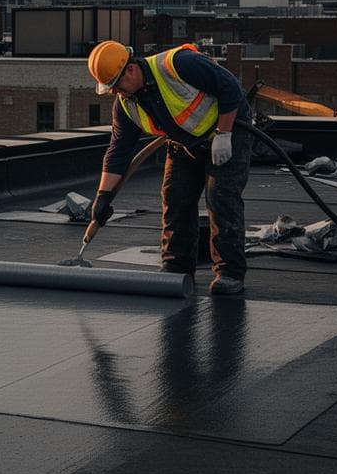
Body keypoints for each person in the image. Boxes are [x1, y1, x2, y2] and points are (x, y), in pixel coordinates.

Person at [85, 39, 251, 297]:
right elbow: (118, 151)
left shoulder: (178, 64)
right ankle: (177, 267)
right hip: (184, 142)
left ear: (130, 70)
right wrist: (103, 197)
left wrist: (224, 134)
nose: (117, 92)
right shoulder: (126, 105)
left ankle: (229, 272)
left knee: (221, 197)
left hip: (228, 131)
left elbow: (230, 88)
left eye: (117, 85)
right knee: (175, 198)